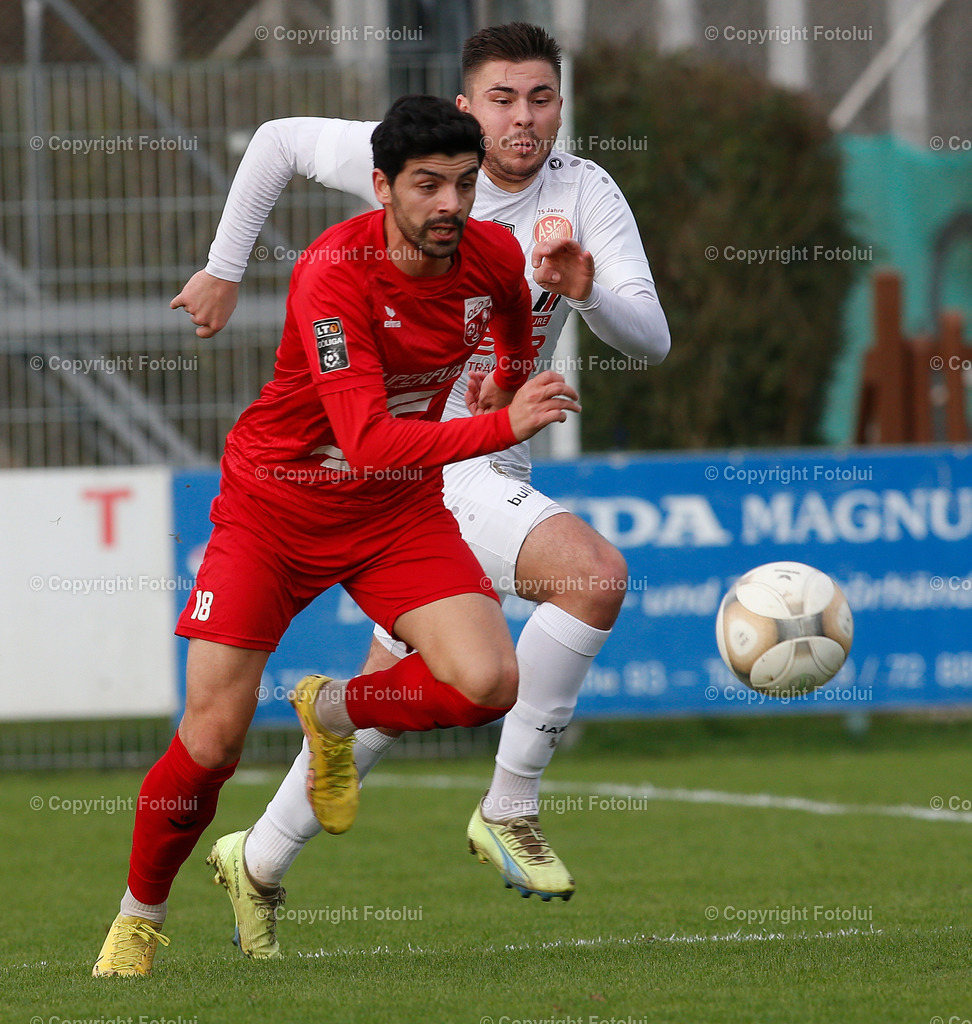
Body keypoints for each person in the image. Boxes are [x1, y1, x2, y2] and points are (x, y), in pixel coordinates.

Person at [173, 21, 670, 955]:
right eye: (501, 100)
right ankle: (509, 806)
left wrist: (586, 282)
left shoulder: (588, 192)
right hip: (434, 458)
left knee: (390, 695)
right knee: (594, 576)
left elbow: (651, 340)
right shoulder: (420, 166)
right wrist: (223, 269)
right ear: (463, 109)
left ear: (561, 105)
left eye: (541, 98)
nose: (522, 120)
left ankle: (259, 857)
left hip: (480, 459)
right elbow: (278, 139)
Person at [93, 93, 580, 978]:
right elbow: (365, 439)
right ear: (381, 184)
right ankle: (139, 917)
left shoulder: (492, 252)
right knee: (211, 742)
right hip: (275, 509)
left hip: (393, 514)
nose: (448, 205)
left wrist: (507, 379)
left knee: (488, 684)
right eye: (426, 185)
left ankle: (334, 708)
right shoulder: (334, 272)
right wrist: (506, 424)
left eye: (464, 186)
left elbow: (514, 307)